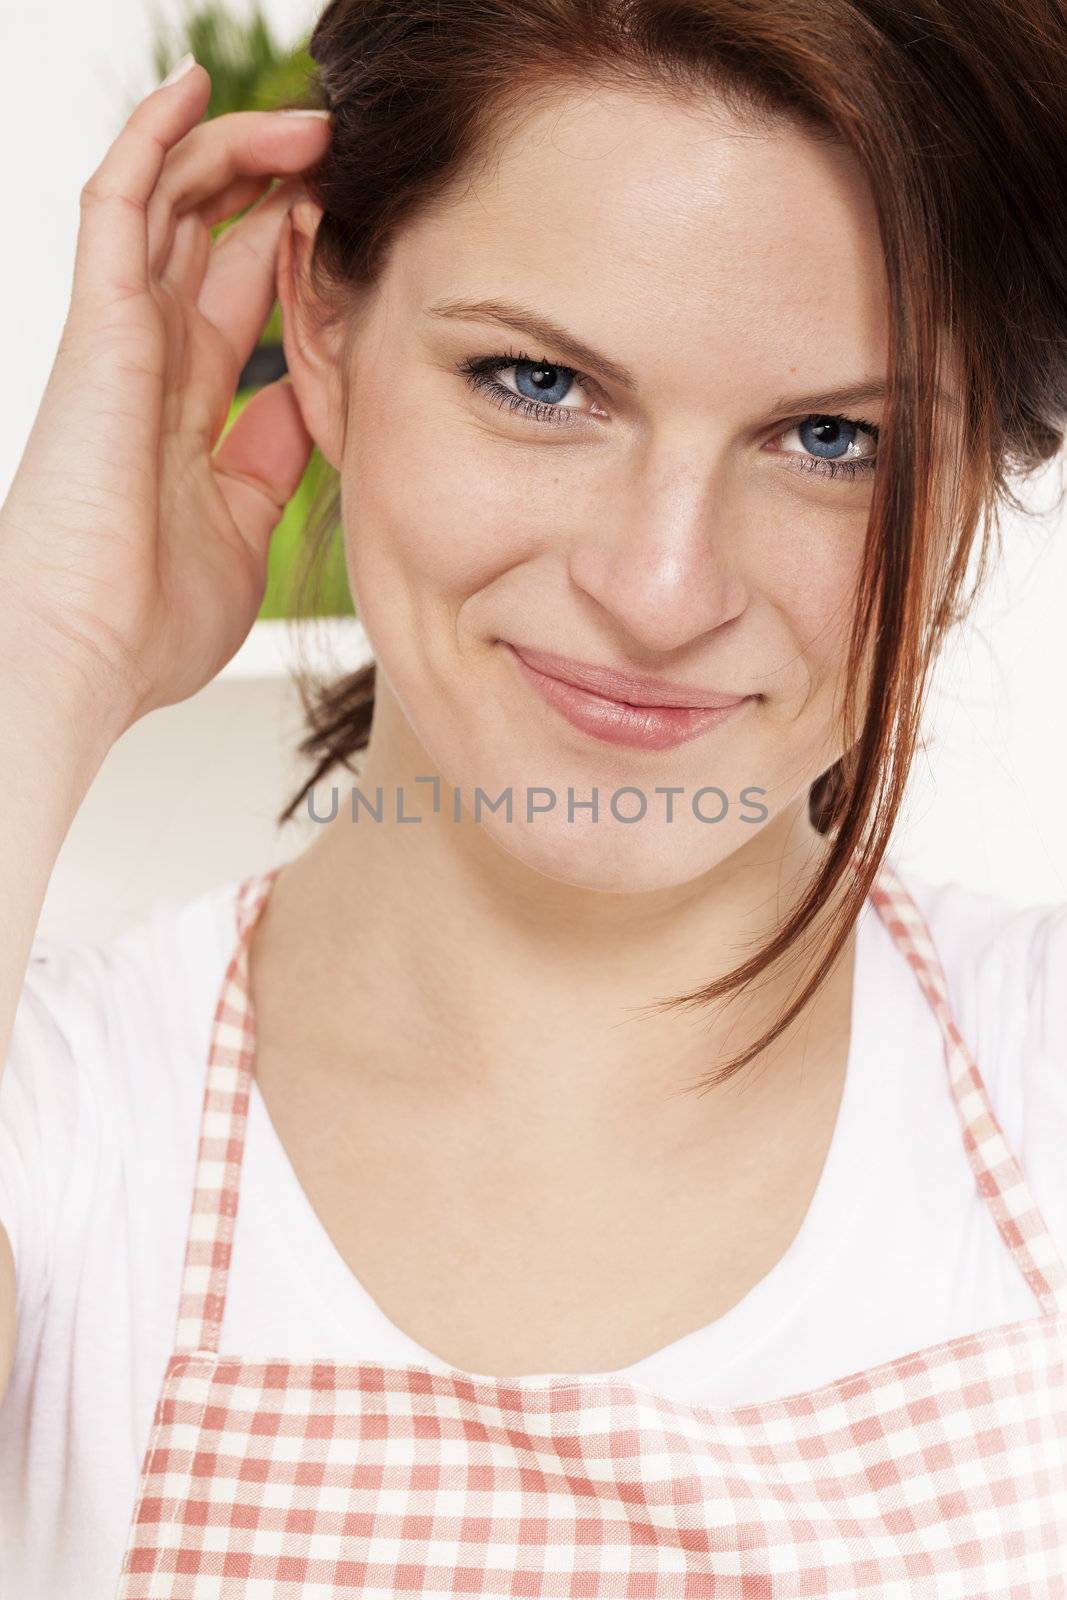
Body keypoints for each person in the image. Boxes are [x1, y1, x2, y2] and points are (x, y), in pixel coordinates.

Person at [1, 0, 1065, 1593]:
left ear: (978, 471)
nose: (658, 585)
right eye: (537, 382)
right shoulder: (64, 1134)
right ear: (327, 327)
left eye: (830, 438)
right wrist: (47, 644)